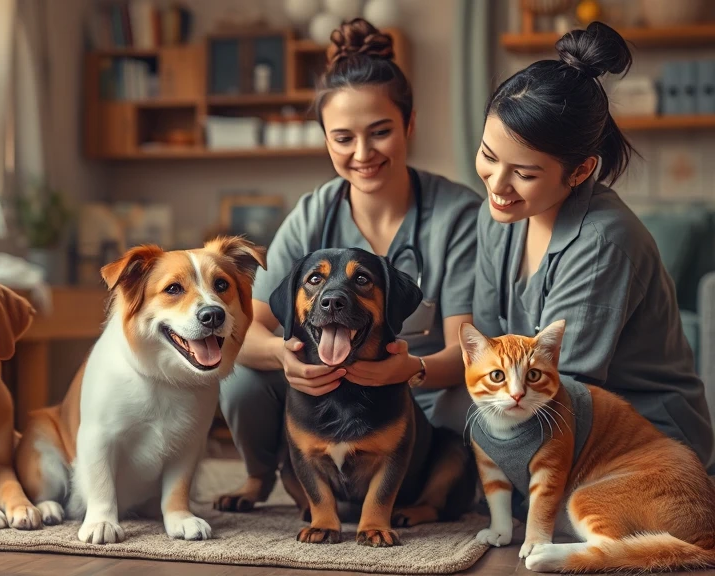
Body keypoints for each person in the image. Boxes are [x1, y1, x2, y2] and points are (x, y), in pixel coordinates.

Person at [215, 18, 484, 512]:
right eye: (343, 138)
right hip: (325, 395)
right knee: (241, 378)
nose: (362, 154)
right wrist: (284, 356)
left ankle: (437, 493)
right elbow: (247, 328)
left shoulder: (459, 216)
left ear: (410, 124)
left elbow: (467, 352)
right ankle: (258, 478)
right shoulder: (314, 212)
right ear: (325, 139)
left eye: (380, 132)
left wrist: (409, 369)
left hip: (422, 397)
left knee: (471, 405)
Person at [472, 21, 715, 474]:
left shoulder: (604, 242)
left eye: (524, 173)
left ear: (581, 171)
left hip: (643, 446)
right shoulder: (499, 218)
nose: (498, 185)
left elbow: (566, 393)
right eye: (488, 156)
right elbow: (485, 352)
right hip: (546, 419)